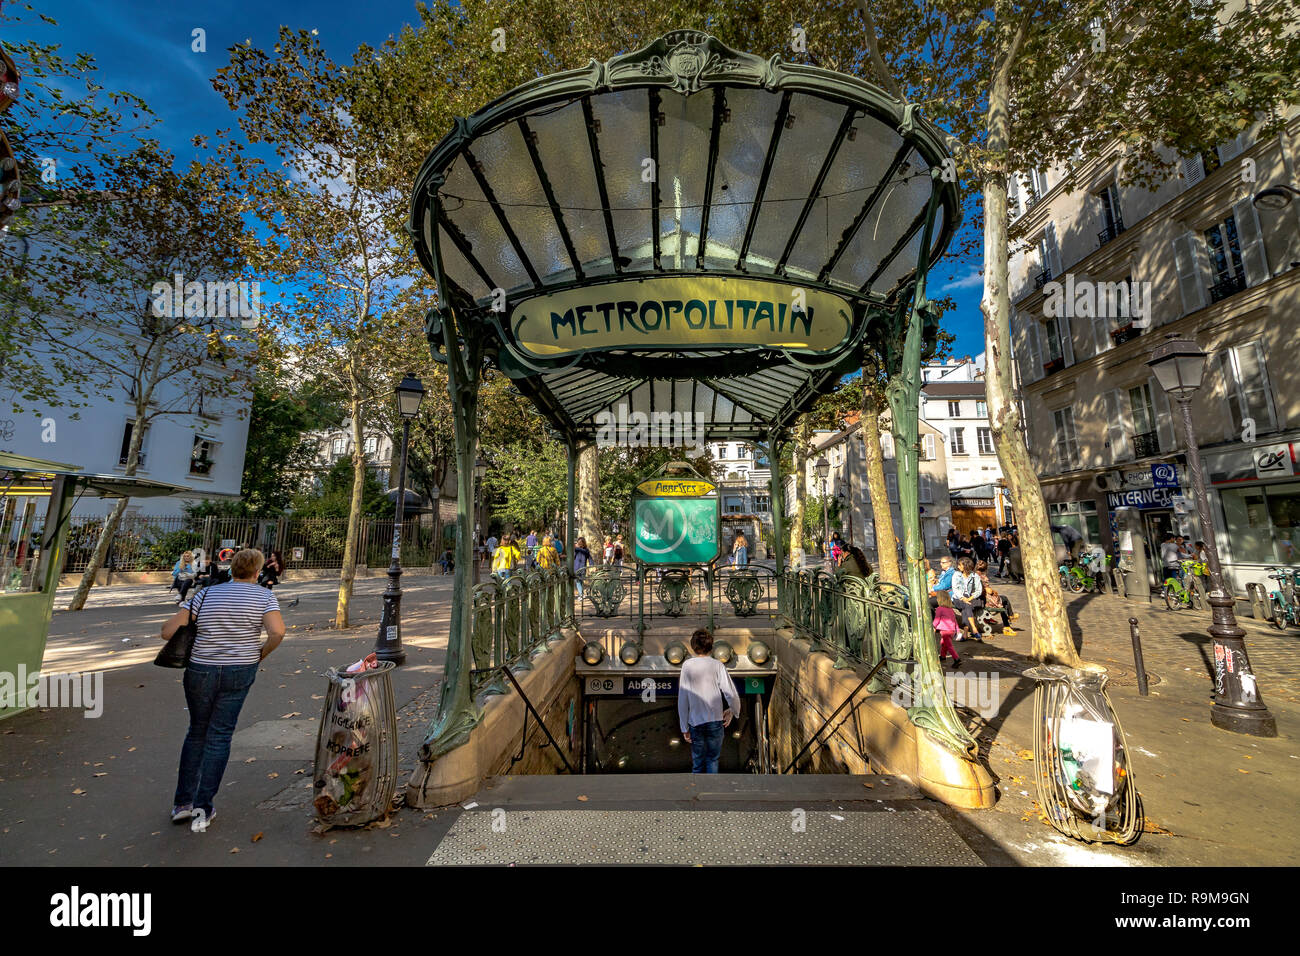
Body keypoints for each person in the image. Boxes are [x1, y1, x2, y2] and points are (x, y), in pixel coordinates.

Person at [159, 549, 285, 833]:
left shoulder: (205, 595)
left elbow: (167, 632)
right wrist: (259, 654)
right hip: (240, 669)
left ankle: (182, 804)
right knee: (220, 735)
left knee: (197, 732)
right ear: (257, 572)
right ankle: (204, 807)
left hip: (200, 668)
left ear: (231, 569)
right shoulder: (264, 597)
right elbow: (277, 632)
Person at [677, 628, 740, 774]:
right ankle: (712, 792)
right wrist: (733, 711)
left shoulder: (687, 666)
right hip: (715, 721)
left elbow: (683, 698)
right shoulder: (717, 665)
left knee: (698, 763)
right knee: (713, 759)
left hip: (695, 722)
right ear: (711, 647)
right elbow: (730, 692)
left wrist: (683, 727)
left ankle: (696, 792)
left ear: (693, 646)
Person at [950, 557, 984, 641]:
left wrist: (970, 598)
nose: (958, 567)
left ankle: (965, 634)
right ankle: (974, 629)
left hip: (971, 597)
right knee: (967, 605)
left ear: (966, 566)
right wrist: (963, 598)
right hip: (958, 598)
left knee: (966, 607)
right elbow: (955, 589)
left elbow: (979, 590)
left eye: (960, 565)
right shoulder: (956, 575)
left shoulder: (974, 576)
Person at [932, 591, 962, 667]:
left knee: (949, 645)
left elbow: (936, 619)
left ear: (940, 599)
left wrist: (933, 626)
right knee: (943, 643)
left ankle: (956, 659)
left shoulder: (939, 609)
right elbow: (954, 620)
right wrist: (957, 630)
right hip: (951, 630)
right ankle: (943, 656)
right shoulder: (950, 609)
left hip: (945, 631)